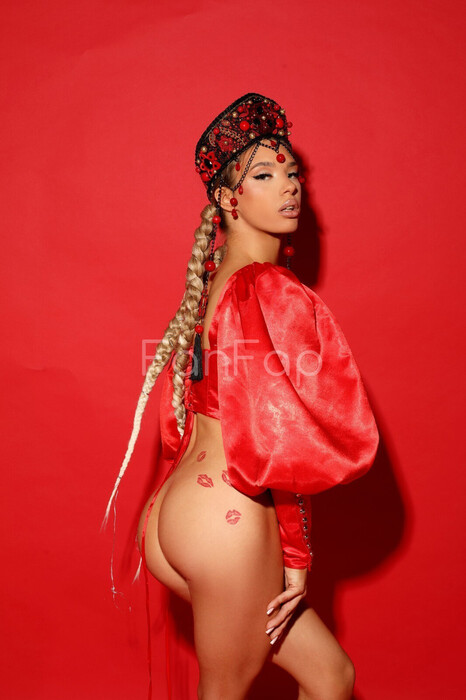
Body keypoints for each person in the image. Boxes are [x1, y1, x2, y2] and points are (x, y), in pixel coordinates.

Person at [103, 92, 379, 700]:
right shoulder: (267, 287)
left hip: (179, 509)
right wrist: (297, 557)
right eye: (264, 175)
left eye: (292, 172)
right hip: (228, 520)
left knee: (330, 676)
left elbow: (191, 411)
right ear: (229, 199)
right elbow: (279, 442)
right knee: (226, 690)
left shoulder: (215, 283)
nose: (289, 187)